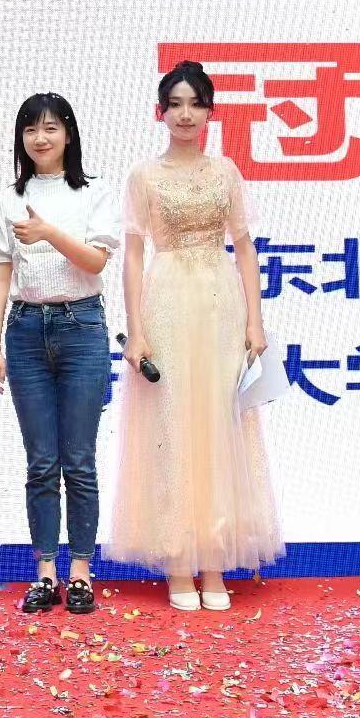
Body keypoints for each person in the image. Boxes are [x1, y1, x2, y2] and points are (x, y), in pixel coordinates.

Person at [112, 59, 283, 611]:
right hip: (166, 302)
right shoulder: (144, 176)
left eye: (196, 104)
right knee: (173, 425)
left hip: (220, 303)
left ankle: (214, 560)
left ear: (210, 111)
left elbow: (245, 246)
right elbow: (132, 255)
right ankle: (179, 562)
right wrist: (136, 330)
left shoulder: (226, 172)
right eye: (176, 104)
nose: (185, 114)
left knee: (219, 424)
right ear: (161, 112)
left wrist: (255, 321)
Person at [0, 93, 122, 616]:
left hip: (82, 326)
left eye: (50, 128)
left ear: (69, 134)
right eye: (30, 130)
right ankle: (45, 573)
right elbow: (0, 273)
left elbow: (95, 262)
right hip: (24, 330)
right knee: (41, 462)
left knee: (78, 460)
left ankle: (81, 572)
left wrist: (48, 233)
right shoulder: (7, 198)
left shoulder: (94, 192)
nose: (40, 139)